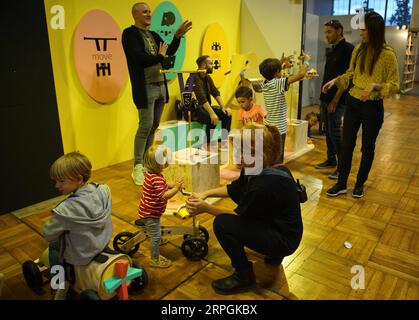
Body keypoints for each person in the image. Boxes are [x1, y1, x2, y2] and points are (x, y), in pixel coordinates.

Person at [186, 123, 303, 295]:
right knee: (237, 219)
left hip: (284, 240)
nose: (238, 157)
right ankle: (273, 255)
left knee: (222, 224)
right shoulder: (258, 168)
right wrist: (205, 193)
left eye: (243, 152)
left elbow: (235, 217)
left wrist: (206, 208)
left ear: (261, 154)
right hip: (283, 229)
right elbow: (233, 189)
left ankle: (244, 276)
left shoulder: (264, 185)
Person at [323, 11, 399, 198]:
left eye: (364, 30)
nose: (361, 33)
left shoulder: (388, 55)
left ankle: (359, 184)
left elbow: (395, 85)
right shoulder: (358, 49)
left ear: (374, 31)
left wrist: (376, 87)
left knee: (368, 147)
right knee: (347, 144)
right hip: (353, 102)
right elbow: (351, 73)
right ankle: (341, 184)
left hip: (372, 107)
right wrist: (335, 80)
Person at [122, 2, 192, 186]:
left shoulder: (153, 34)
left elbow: (168, 51)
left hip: (160, 85)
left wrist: (177, 36)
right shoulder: (129, 34)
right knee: (145, 126)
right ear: (135, 15)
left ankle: (146, 163)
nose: (149, 14)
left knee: (154, 126)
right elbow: (139, 58)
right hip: (145, 87)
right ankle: (137, 166)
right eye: (145, 11)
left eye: (149, 11)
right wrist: (160, 57)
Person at [44, 151, 113, 268]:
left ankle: (59, 282)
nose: (56, 185)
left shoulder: (65, 210)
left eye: (61, 181)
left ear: (79, 179)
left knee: (54, 246)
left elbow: (48, 234)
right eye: (55, 181)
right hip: (103, 242)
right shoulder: (103, 190)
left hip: (81, 254)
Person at [246, 54, 308, 163]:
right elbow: (301, 74)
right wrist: (306, 61)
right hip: (279, 127)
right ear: (277, 72)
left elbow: (271, 72)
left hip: (269, 124)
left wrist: (281, 62)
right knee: (279, 154)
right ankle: (276, 171)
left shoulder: (264, 83)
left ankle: (269, 168)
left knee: (271, 151)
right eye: (280, 70)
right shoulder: (278, 83)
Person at [315, 19, 354, 180]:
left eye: (329, 32)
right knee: (328, 132)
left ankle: (341, 166)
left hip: (337, 100)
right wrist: (323, 99)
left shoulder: (348, 50)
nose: (326, 35)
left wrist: (335, 100)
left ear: (339, 30)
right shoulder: (333, 49)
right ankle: (331, 159)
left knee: (336, 132)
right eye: (325, 32)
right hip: (326, 98)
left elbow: (346, 79)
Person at [139, 145, 184, 268]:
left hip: (150, 211)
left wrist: (173, 185)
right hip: (150, 213)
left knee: (156, 229)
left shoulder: (152, 174)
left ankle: (157, 239)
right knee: (155, 236)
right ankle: (155, 259)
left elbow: (164, 184)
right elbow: (163, 196)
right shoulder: (156, 179)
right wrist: (176, 188)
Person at [191, 55, 232, 148]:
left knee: (226, 114)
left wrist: (223, 107)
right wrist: (212, 113)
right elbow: (201, 98)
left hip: (205, 107)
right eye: (210, 63)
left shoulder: (207, 77)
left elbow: (215, 92)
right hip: (195, 109)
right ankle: (206, 144)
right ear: (203, 65)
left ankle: (222, 141)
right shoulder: (194, 77)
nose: (212, 65)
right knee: (211, 118)